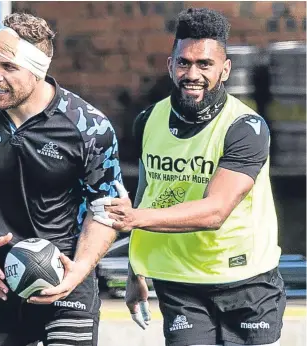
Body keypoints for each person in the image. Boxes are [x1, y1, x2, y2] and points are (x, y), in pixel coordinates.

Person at [0, 13, 122, 346]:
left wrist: (81, 267)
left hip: (65, 277)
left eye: (9, 67)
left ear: (38, 70)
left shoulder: (88, 126)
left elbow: (107, 209)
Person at [91, 8, 285, 346]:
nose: (192, 73)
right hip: (179, 282)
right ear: (170, 65)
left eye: (204, 64)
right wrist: (136, 270)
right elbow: (149, 193)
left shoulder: (246, 128)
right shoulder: (148, 120)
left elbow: (215, 211)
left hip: (246, 281)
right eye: (184, 63)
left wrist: (136, 218)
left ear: (224, 69)